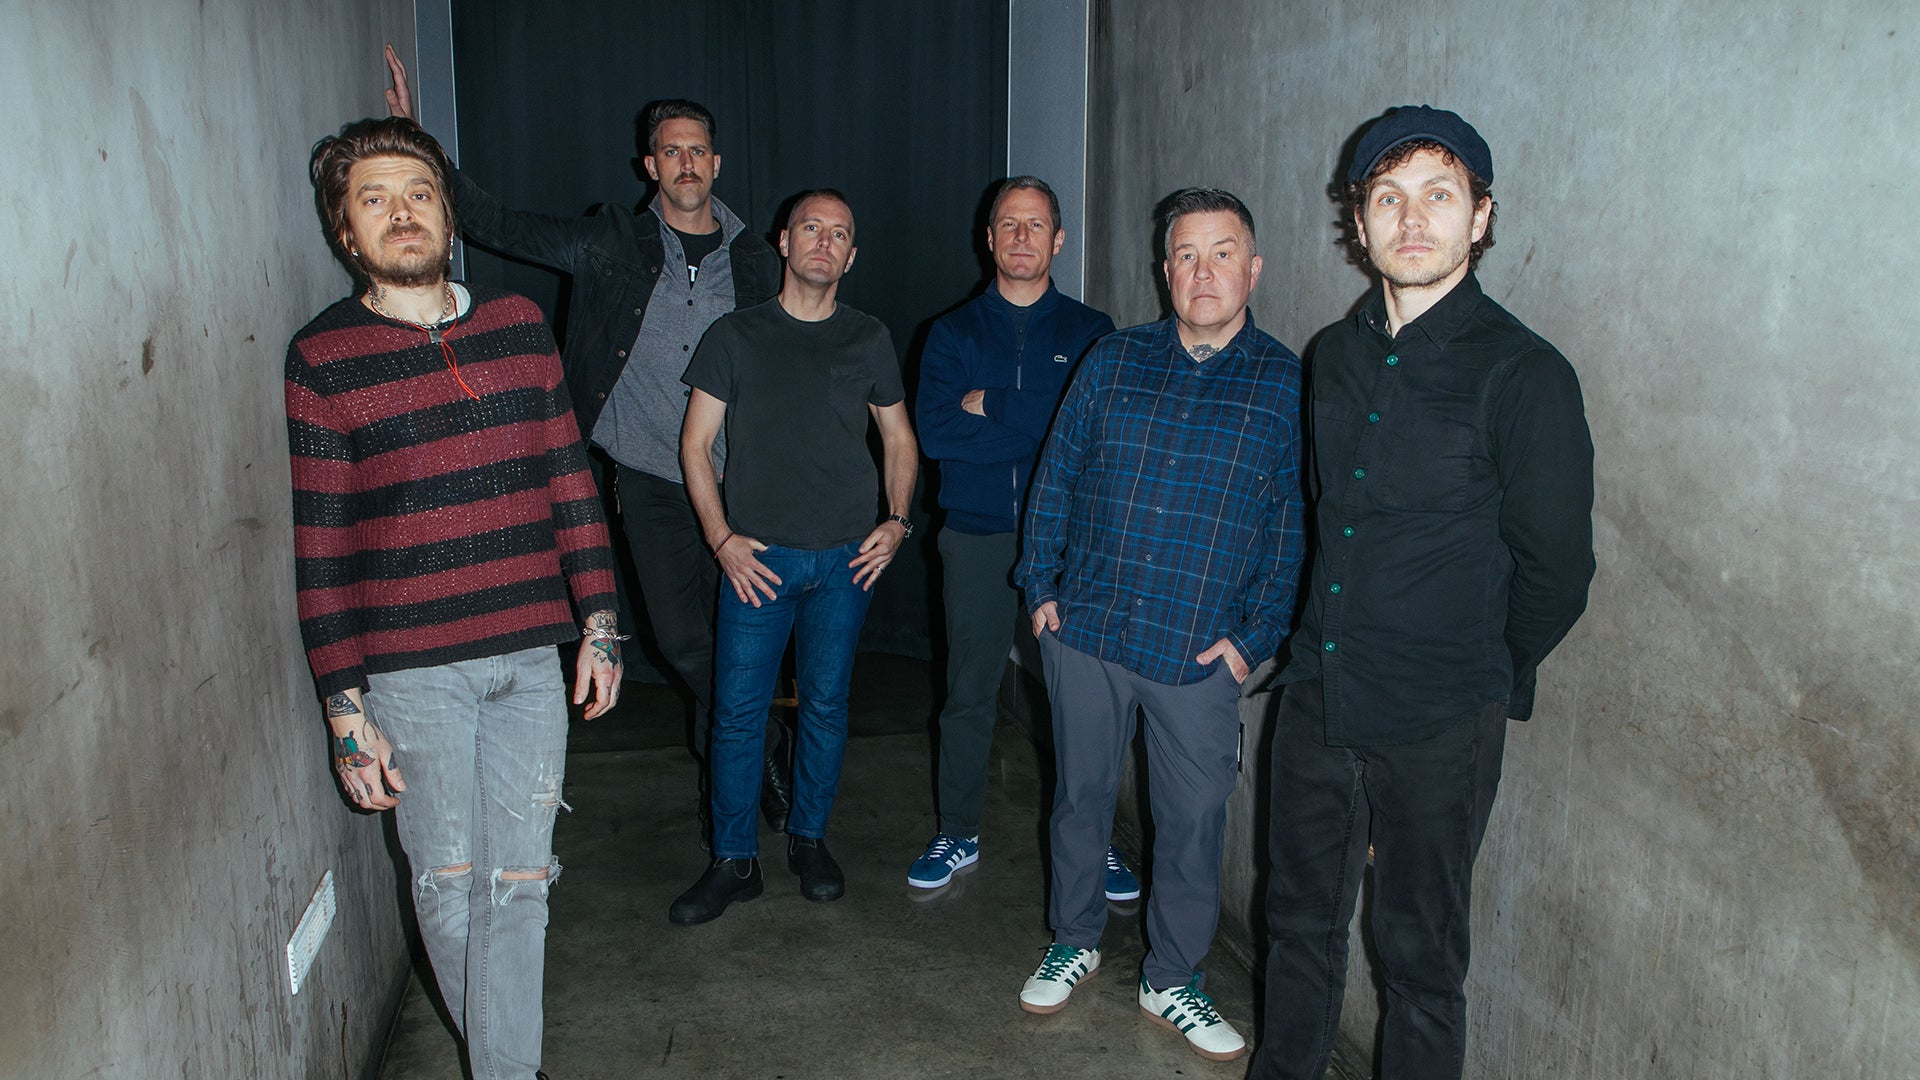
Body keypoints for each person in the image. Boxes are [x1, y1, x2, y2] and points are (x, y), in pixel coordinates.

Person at [1251, 107, 1595, 1080]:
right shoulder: (1333, 355)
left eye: (1439, 195)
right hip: (1317, 698)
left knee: (1420, 963)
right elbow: (1327, 517)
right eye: (1388, 198)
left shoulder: (1526, 375)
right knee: (1296, 926)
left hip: (1441, 719)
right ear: (1358, 223)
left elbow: (1557, 573)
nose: (1412, 219)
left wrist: (1477, 673)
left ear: (1480, 218)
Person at [384, 49, 789, 843]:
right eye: (670, 151)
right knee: (685, 644)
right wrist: (414, 142)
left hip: (741, 484)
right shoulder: (611, 241)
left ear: (716, 163)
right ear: (649, 166)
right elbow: (496, 223)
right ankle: (762, 744)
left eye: (697, 150)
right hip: (650, 480)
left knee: (740, 643)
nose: (685, 163)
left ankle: (729, 779)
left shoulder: (756, 260)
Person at [288, 116, 621, 1080]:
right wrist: (346, 711)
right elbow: (322, 547)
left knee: (521, 885)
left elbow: (569, 483)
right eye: (375, 199)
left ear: (448, 212)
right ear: (346, 230)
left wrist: (600, 624)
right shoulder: (323, 358)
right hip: (410, 673)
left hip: (529, 657)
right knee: (447, 884)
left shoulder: (516, 328)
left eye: (419, 193)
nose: (402, 213)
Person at [1013, 188, 1303, 1062]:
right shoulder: (1113, 359)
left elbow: (1293, 528)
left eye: (1223, 253)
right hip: (1089, 633)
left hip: (1198, 650)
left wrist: (1253, 640)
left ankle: (1172, 977)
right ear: (1164, 269)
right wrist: (1042, 589)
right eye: (1186, 254)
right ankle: (1074, 938)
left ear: (1253, 269)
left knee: (1193, 824)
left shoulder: (1287, 385)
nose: (1203, 272)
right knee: (1080, 800)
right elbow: (1057, 476)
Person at [668, 190, 919, 924]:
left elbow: (899, 439)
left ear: (851, 255)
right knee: (737, 715)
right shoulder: (734, 335)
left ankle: (809, 840)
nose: (824, 242)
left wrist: (898, 521)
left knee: (827, 707)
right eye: (812, 227)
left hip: (846, 562)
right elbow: (693, 445)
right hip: (760, 563)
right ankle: (733, 861)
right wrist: (720, 538)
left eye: (839, 234)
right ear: (784, 240)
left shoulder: (868, 337)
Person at [905, 176, 1139, 898]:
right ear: (989, 238)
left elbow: (1095, 434)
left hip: (1070, 547)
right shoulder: (951, 333)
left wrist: (995, 403)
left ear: (1057, 240)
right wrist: (1044, 420)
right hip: (976, 537)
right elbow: (937, 433)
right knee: (968, 692)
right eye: (1009, 224)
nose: (1021, 236)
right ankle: (957, 831)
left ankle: (1095, 839)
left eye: (1035, 225)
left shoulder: (1091, 331)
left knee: (1082, 703)